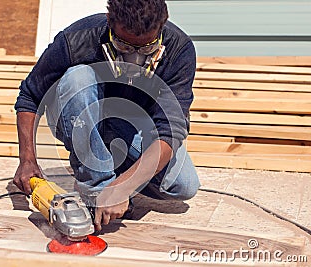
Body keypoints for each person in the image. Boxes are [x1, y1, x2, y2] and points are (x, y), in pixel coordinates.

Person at [13, 0, 200, 231]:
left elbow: (170, 131)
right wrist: (27, 160)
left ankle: (113, 171)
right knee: (77, 78)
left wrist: (123, 186)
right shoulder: (77, 39)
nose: (135, 59)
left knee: (183, 185)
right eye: (124, 47)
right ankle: (95, 188)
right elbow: (30, 95)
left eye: (146, 49)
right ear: (109, 23)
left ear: (162, 28)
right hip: (82, 116)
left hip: (131, 126)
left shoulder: (179, 50)